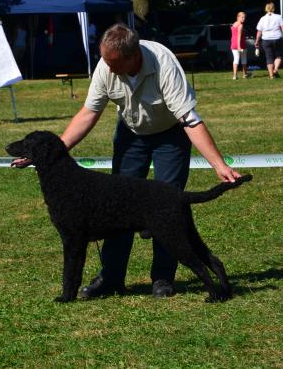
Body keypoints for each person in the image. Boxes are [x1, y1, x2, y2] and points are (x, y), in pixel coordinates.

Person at [13, 23, 242, 299]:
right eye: (105, 61)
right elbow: (89, 113)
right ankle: (111, 277)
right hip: (131, 134)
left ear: (133, 57)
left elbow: (190, 121)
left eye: (112, 63)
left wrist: (219, 164)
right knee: (115, 205)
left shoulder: (164, 65)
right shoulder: (105, 66)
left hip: (170, 135)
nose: (107, 68)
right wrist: (55, 151)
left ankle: (163, 278)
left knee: (165, 205)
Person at [255, 2, 283, 79]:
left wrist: (257, 41)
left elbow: (259, 31)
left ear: (266, 9)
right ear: (273, 8)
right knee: (279, 55)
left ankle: (271, 75)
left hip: (266, 39)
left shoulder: (262, 18)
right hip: (277, 38)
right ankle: (276, 69)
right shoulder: (279, 17)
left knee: (269, 57)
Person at [231, 12, 249, 80]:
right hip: (240, 44)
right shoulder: (241, 25)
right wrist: (239, 46)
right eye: (242, 17)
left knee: (235, 59)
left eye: (244, 17)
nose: (244, 19)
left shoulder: (234, 24)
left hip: (233, 44)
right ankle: (244, 74)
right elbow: (239, 36)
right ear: (238, 17)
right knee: (243, 59)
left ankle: (235, 76)